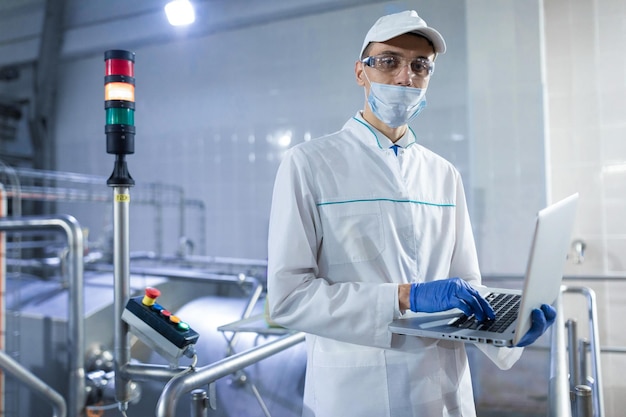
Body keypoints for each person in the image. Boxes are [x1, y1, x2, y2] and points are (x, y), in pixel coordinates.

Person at [267, 9, 556, 417]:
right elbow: (288, 299)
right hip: (357, 392)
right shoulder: (310, 164)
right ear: (360, 72)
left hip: (443, 389)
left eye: (420, 66)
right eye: (389, 61)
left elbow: (466, 283)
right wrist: (405, 297)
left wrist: (508, 329)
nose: (405, 77)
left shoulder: (442, 173)